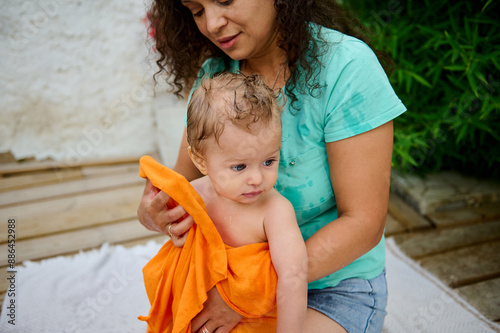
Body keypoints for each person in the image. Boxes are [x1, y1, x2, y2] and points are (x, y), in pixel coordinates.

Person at [138, 1, 407, 332]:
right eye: (196, 10)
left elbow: (364, 223)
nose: (212, 22)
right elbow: (183, 180)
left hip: (333, 289)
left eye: (224, 0)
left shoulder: (347, 68)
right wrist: (155, 211)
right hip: (231, 277)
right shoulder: (217, 76)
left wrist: (244, 292)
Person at [138, 72, 307, 333]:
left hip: (255, 318)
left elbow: (293, 277)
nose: (256, 178)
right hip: (200, 306)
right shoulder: (194, 197)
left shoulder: (274, 211)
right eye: (239, 166)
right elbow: (174, 249)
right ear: (201, 161)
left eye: (269, 161)